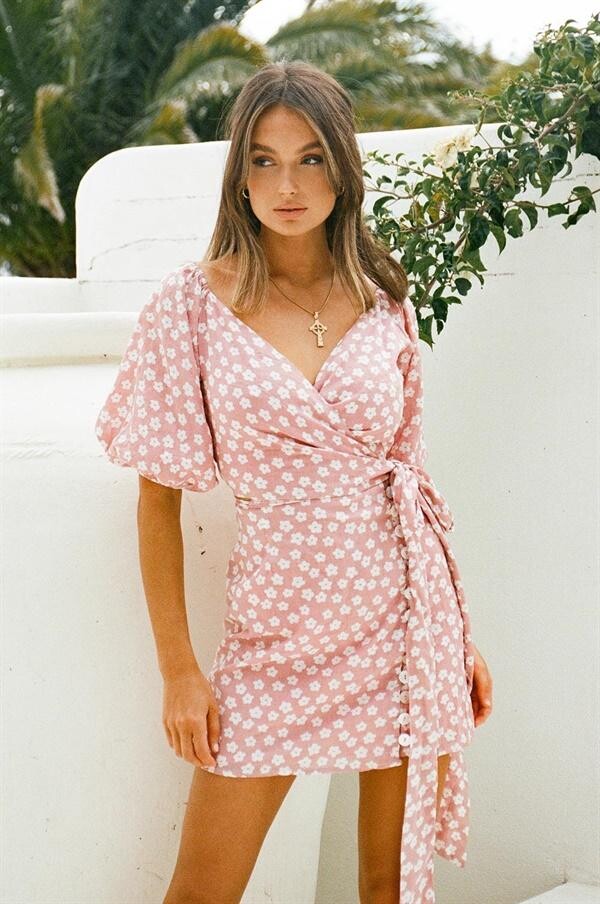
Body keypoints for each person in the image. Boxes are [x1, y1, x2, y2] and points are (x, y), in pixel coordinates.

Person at [95, 60, 493, 904]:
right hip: (274, 641)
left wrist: (458, 640)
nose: (287, 185)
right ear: (238, 175)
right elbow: (157, 500)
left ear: (342, 169)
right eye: (265, 160)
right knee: (201, 891)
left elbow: (411, 474)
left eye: (311, 158)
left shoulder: (383, 299)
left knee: (385, 887)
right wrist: (180, 672)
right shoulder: (191, 307)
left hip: (403, 630)